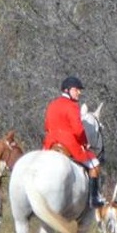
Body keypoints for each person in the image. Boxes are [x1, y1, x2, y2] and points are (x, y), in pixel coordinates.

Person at [43, 76, 103, 208]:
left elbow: (46, 126)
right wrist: (85, 143)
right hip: (68, 144)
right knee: (95, 165)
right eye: (77, 90)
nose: (79, 92)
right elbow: (78, 130)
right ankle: (93, 199)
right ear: (67, 90)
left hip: (49, 145)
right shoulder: (72, 106)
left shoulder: (52, 104)